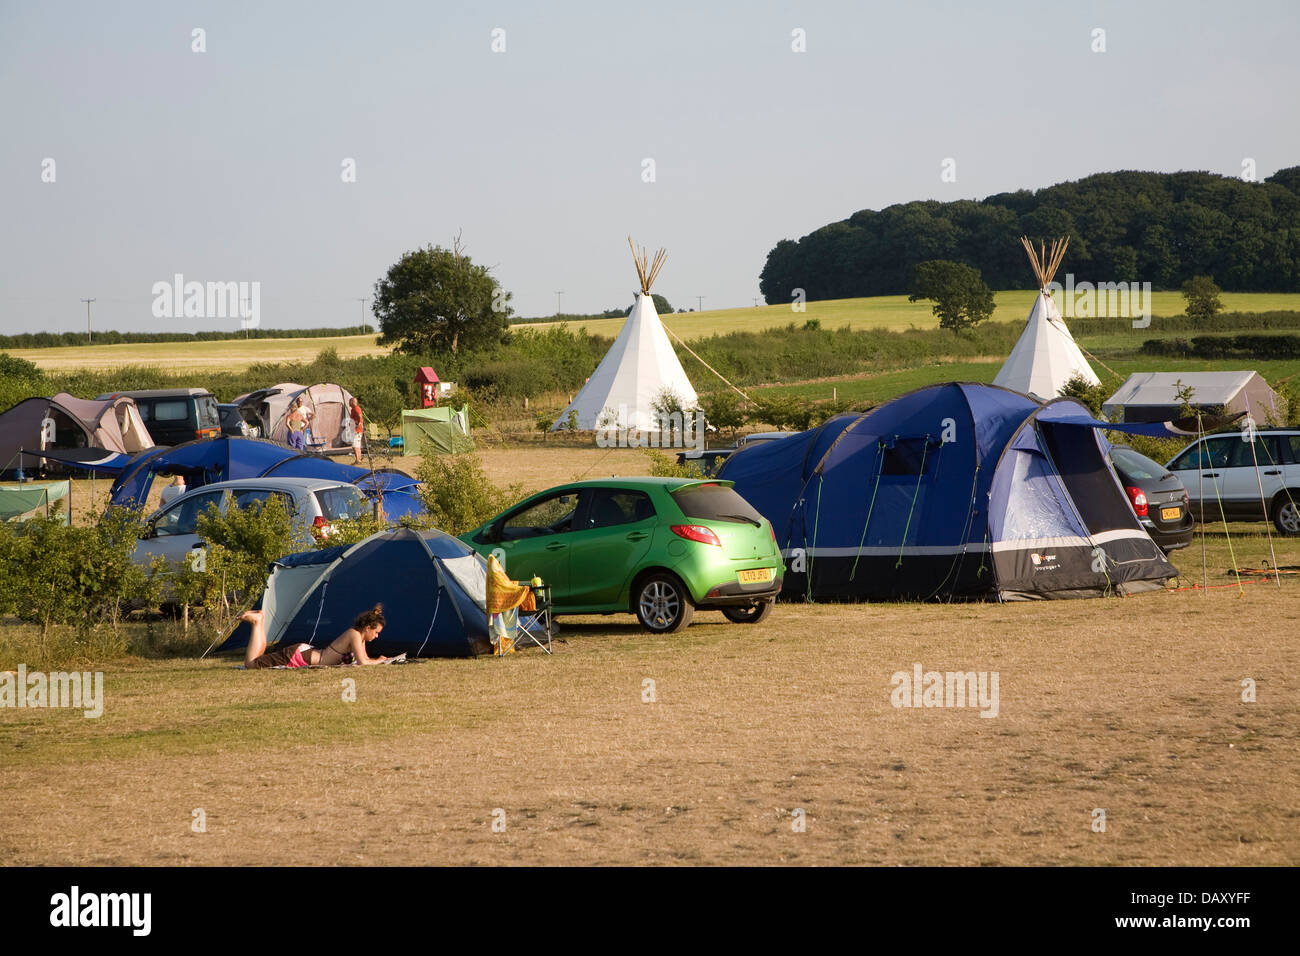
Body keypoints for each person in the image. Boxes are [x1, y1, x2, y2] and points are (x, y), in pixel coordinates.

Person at [242, 604, 390, 668]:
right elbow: (363, 663)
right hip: (299, 656)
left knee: (257, 660)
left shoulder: (360, 637)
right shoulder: (354, 634)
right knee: (251, 664)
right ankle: (258, 622)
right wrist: (378, 661)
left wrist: (380, 660)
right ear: (367, 628)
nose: (376, 636)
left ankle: (258, 623)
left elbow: (364, 659)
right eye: (376, 632)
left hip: (305, 653)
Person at [348, 396, 365, 463]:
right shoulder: (353, 409)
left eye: (350, 402)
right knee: (357, 445)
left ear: (353, 402)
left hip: (357, 430)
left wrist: (360, 423)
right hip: (355, 429)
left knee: (355, 445)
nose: (349, 403)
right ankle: (359, 459)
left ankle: (358, 460)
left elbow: (360, 415)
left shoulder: (356, 408)